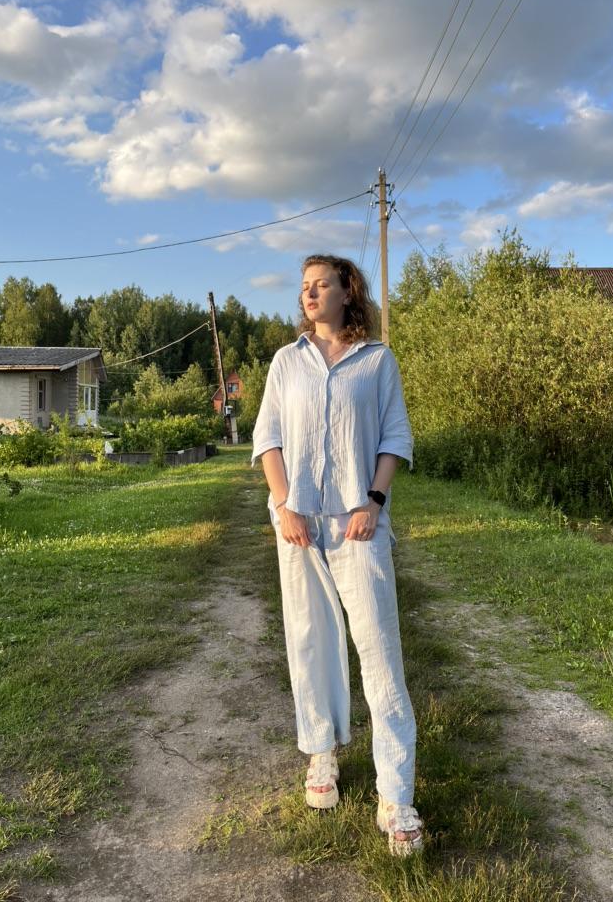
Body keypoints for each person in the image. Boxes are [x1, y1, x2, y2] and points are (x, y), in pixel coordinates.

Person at [251, 253, 423, 856]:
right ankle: (321, 753)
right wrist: (284, 506)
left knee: (379, 652)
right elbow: (268, 437)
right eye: (304, 286)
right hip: (298, 526)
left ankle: (395, 795)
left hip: (358, 526)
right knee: (310, 642)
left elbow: (395, 437)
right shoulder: (286, 361)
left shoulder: (376, 361)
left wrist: (373, 501)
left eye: (320, 284)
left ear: (347, 292)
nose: (309, 293)